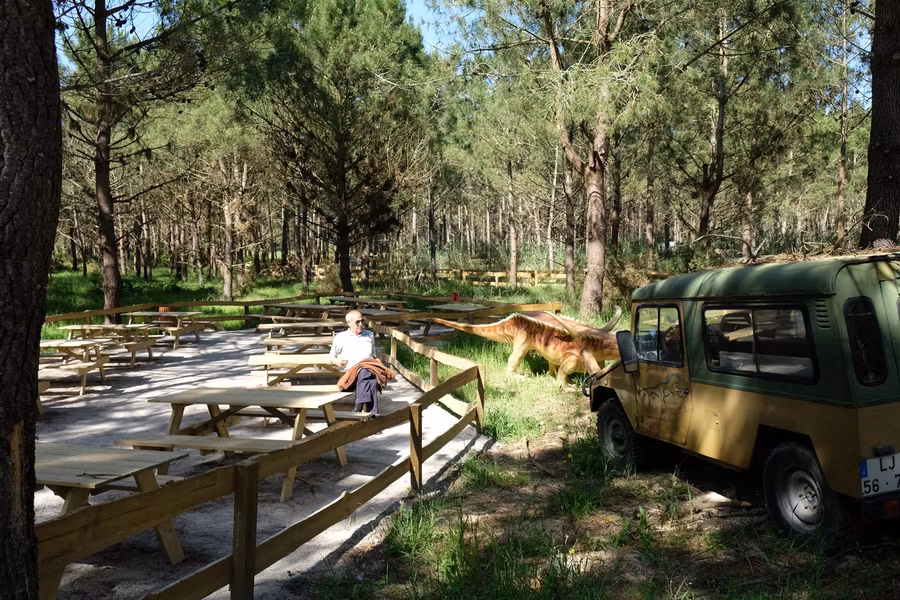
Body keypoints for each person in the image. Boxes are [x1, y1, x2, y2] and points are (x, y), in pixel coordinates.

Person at [330, 309, 393, 414]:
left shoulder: (369, 335)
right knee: (371, 382)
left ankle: (358, 407)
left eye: (362, 321)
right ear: (349, 323)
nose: (360, 324)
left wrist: (379, 364)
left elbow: (373, 354)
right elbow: (332, 357)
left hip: (370, 368)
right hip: (352, 373)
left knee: (365, 370)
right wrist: (337, 362)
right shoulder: (341, 337)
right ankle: (373, 416)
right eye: (357, 322)